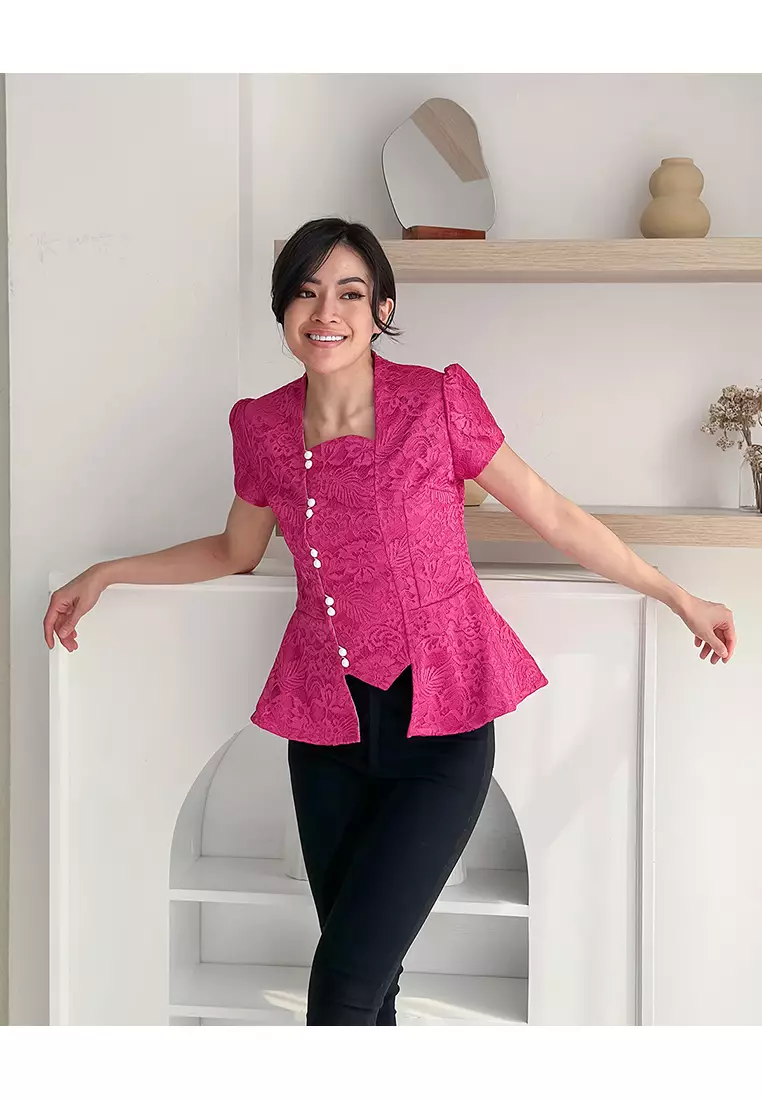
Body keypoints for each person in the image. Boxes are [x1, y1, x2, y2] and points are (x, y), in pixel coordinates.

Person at [43, 216, 737, 1027]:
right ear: (283, 310)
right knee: (372, 990)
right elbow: (236, 550)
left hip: (440, 732)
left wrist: (677, 596)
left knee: (339, 990)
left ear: (382, 310)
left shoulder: (437, 402)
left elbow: (552, 514)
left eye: (348, 293)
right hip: (325, 736)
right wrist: (109, 572)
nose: (325, 312)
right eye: (306, 293)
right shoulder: (262, 428)